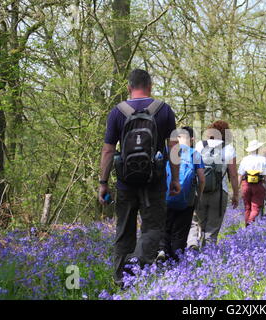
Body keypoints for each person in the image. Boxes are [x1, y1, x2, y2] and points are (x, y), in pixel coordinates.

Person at [98, 69, 180, 287]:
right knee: (153, 227)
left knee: (124, 228)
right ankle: (139, 266)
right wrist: (176, 179)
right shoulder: (164, 111)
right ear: (150, 86)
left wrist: (103, 183)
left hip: (125, 181)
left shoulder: (117, 112)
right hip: (155, 181)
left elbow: (107, 151)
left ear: (128, 87)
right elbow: (174, 148)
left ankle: (120, 279)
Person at [187, 120, 239, 248]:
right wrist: (236, 194)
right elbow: (232, 174)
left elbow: (191, 167)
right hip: (220, 192)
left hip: (200, 191)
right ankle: (208, 256)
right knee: (212, 227)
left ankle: (192, 244)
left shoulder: (199, 145)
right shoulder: (229, 148)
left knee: (196, 221)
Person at [159, 127, 205, 261]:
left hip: (166, 196)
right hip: (187, 199)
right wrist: (199, 197)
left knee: (165, 227)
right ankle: (177, 260)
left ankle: (162, 253)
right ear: (190, 140)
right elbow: (202, 179)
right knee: (181, 232)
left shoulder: (167, 151)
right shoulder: (194, 154)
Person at [238, 140, 266, 226]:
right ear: (258, 149)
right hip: (258, 185)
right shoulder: (263, 159)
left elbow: (240, 175)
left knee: (247, 208)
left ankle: (246, 226)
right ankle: (249, 223)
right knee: (256, 208)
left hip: (246, 184)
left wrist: (237, 188)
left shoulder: (244, 159)